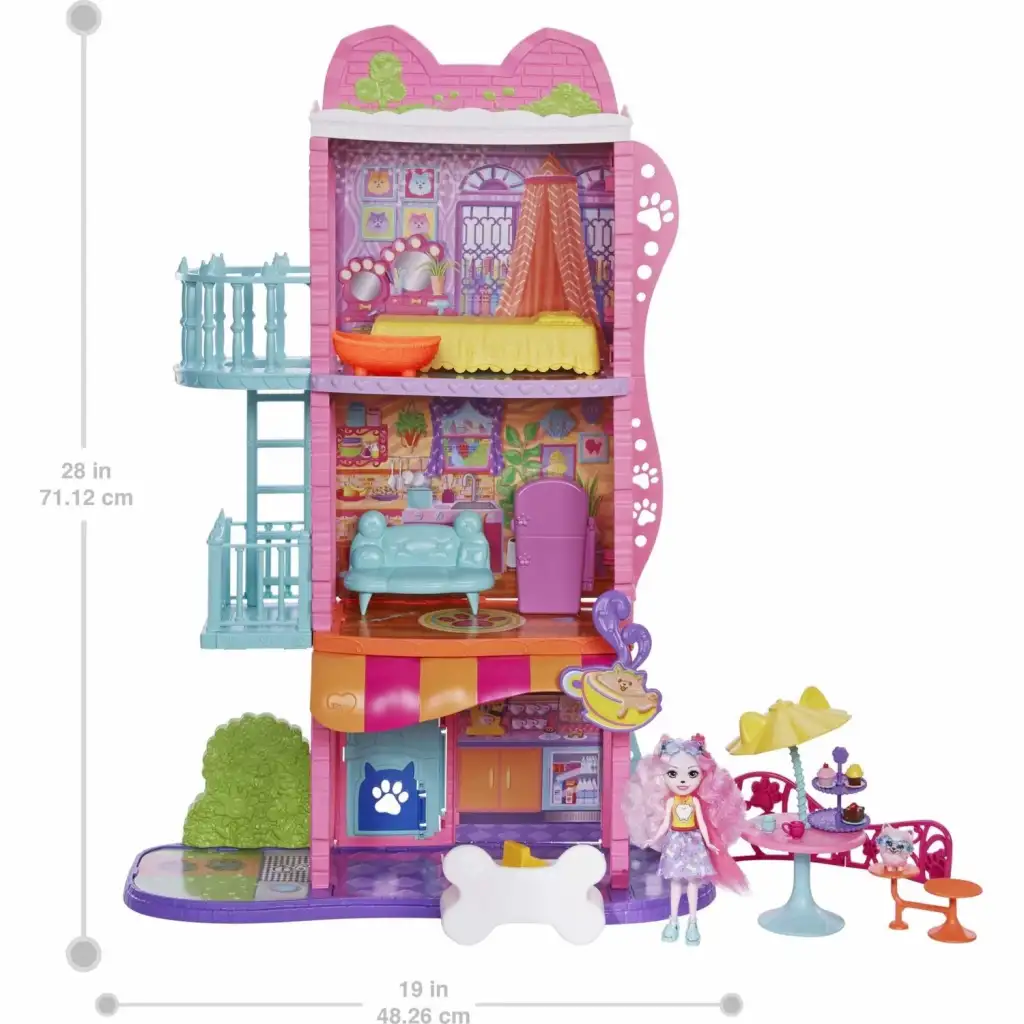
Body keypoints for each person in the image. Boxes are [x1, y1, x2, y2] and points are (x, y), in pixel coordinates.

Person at [623, 734, 747, 944]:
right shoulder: (671, 802)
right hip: (675, 843)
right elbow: (665, 824)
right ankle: (672, 921)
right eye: (673, 773)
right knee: (674, 882)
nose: (682, 780)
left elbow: (703, 824)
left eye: (692, 774)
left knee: (692, 882)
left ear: (703, 777)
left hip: (694, 843)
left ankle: (692, 921)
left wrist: (709, 843)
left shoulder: (694, 802)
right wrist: (652, 838)